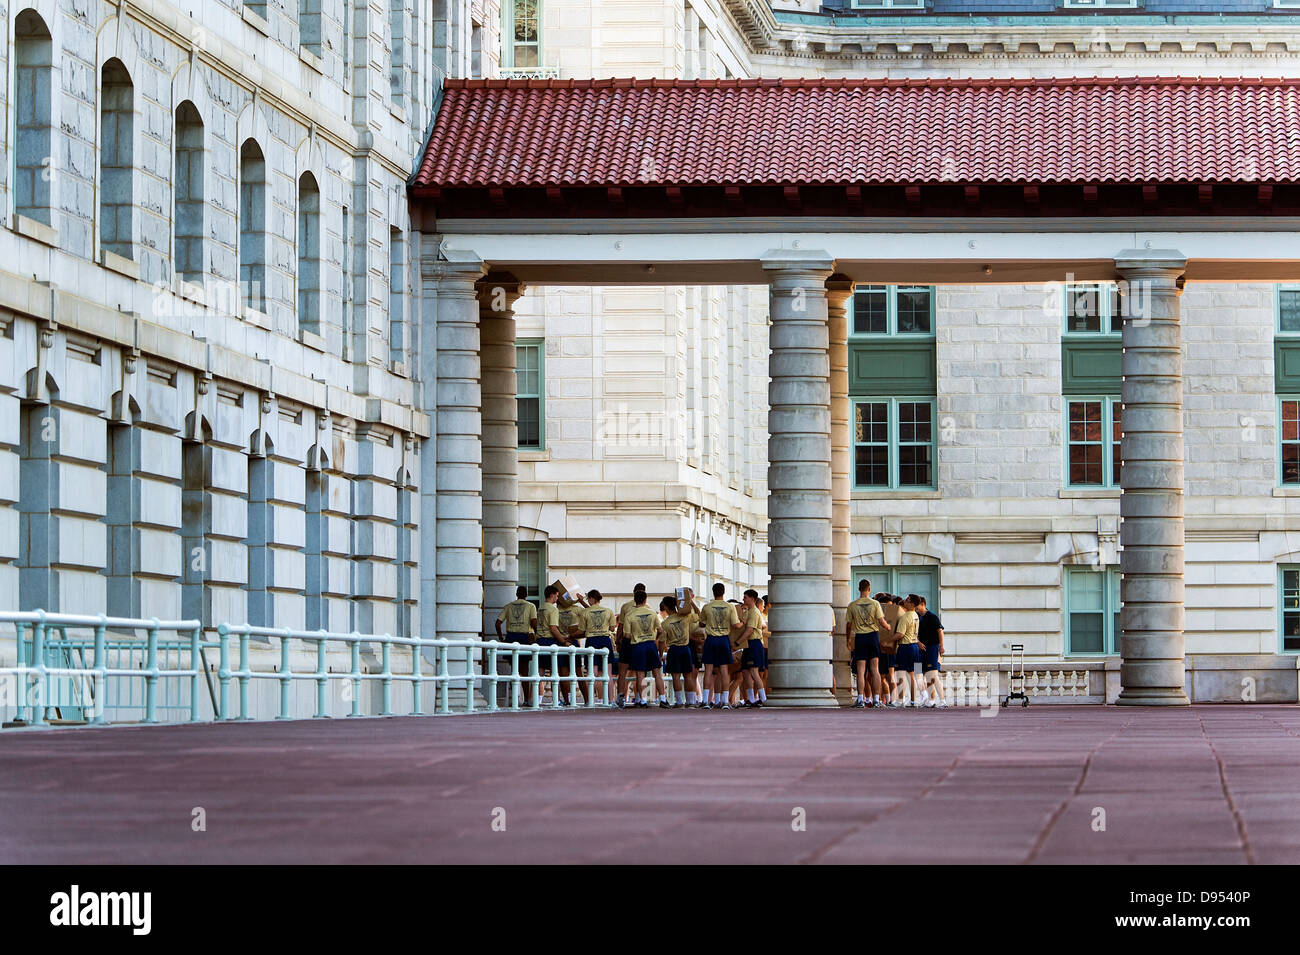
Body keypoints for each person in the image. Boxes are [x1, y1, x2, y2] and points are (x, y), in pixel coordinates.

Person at [845, 579, 890, 708]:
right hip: (872, 637)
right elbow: (881, 621)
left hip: (860, 637)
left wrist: (847, 639)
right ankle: (876, 699)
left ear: (859, 589)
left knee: (861, 671)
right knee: (875, 669)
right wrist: (888, 627)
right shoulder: (875, 604)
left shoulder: (852, 605)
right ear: (869, 589)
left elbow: (848, 625)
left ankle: (860, 699)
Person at [699, 583, 741, 709]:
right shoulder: (729, 607)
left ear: (713, 592)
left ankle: (706, 701)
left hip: (711, 639)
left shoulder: (707, 607)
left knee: (708, 670)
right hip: (724, 640)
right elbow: (735, 624)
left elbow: (701, 624)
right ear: (723, 592)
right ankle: (724, 701)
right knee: (724, 671)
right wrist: (742, 622)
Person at [623, 589, 667, 708]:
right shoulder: (652, 613)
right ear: (645, 600)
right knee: (657, 672)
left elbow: (626, 635)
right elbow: (660, 630)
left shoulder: (629, 615)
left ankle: (642, 700)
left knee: (640, 673)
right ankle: (662, 698)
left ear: (634, 600)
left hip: (637, 645)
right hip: (650, 644)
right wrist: (654, 638)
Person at [495, 585, 539, 705]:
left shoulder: (508, 606)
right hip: (523, 638)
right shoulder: (531, 606)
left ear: (516, 594)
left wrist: (501, 639)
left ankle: (513, 698)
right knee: (524, 671)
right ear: (526, 595)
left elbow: (498, 623)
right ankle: (525, 700)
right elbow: (534, 623)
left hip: (510, 638)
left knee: (514, 670)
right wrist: (537, 637)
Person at [659, 590, 699, 707]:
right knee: (688, 675)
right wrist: (690, 602)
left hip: (674, 650)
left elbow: (662, 642)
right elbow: (699, 614)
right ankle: (691, 701)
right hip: (686, 648)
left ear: (666, 607)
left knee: (675, 676)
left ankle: (679, 701)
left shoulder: (665, 623)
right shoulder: (685, 616)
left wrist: (661, 655)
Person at [583, 590, 619, 706]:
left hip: (592, 641)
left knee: (592, 673)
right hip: (605, 641)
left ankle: (590, 701)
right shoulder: (608, 611)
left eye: (588, 599)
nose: (588, 601)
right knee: (608, 673)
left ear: (592, 599)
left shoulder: (586, 612)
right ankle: (611, 700)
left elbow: (582, 630)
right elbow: (613, 628)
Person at [614, 583, 646, 706]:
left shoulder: (626, 607)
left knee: (623, 671)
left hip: (627, 641)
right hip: (641, 641)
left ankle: (621, 697)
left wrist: (618, 641)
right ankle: (640, 698)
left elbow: (621, 626)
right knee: (640, 672)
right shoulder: (647, 608)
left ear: (634, 593)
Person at [536, 585, 568, 706]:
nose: (557, 598)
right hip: (550, 642)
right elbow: (553, 628)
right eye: (557, 595)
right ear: (552, 594)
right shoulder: (553, 609)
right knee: (555, 672)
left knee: (538, 673)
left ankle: (534, 699)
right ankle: (556, 700)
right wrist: (564, 641)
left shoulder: (540, 608)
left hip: (539, 641)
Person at [890, 595, 924, 708]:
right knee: (912, 675)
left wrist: (887, 641)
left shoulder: (905, 617)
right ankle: (913, 700)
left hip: (905, 647)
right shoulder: (915, 615)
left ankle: (900, 700)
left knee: (900, 675)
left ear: (912, 604)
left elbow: (900, 634)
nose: (905, 601)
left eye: (907, 600)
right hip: (915, 647)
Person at [557, 593, 590, 705]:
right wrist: (581, 601)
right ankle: (575, 700)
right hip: (567, 641)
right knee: (571, 672)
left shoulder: (558, 609)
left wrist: (581, 601)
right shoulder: (559, 609)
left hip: (566, 641)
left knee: (572, 672)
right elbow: (592, 612)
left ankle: (580, 700)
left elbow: (592, 613)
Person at [916, 595, 948, 708]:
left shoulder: (932, 617)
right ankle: (929, 699)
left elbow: (940, 631)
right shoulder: (917, 617)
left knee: (933, 676)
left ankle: (942, 701)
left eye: (917, 606)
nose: (916, 608)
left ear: (923, 604)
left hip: (932, 648)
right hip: (920, 650)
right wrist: (918, 642)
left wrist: (941, 646)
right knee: (918, 673)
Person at [738, 589, 767, 707]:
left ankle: (763, 699)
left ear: (752, 599)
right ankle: (750, 699)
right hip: (748, 645)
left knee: (754, 672)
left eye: (745, 597)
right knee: (745, 671)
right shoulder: (748, 611)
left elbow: (749, 630)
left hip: (754, 643)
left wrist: (737, 641)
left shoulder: (755, 612)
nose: (743, 599)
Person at [877, 593, 901, 704]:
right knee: (883, 676)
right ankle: (888, 700)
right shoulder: (879, 615)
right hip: (883, 648)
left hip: (890, 649)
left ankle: (893, 700)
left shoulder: (897, 617)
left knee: (890, 675)